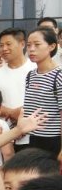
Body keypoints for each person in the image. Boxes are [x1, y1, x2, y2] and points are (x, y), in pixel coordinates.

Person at [0, 28, 34, 151]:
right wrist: (13, 113)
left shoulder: (35, 69)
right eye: (1, 45)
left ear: (22, 44)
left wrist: (23, 113)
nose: (4, 49)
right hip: (6, 138)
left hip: (35, 135)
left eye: (8, 44)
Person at [23, 26, 62, 155]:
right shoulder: (30, 75)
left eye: (37, 44)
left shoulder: (59, 75)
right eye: (29, 45)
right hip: (32, 138)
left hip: (54, 141)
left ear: (52, 46)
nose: (31, 49)